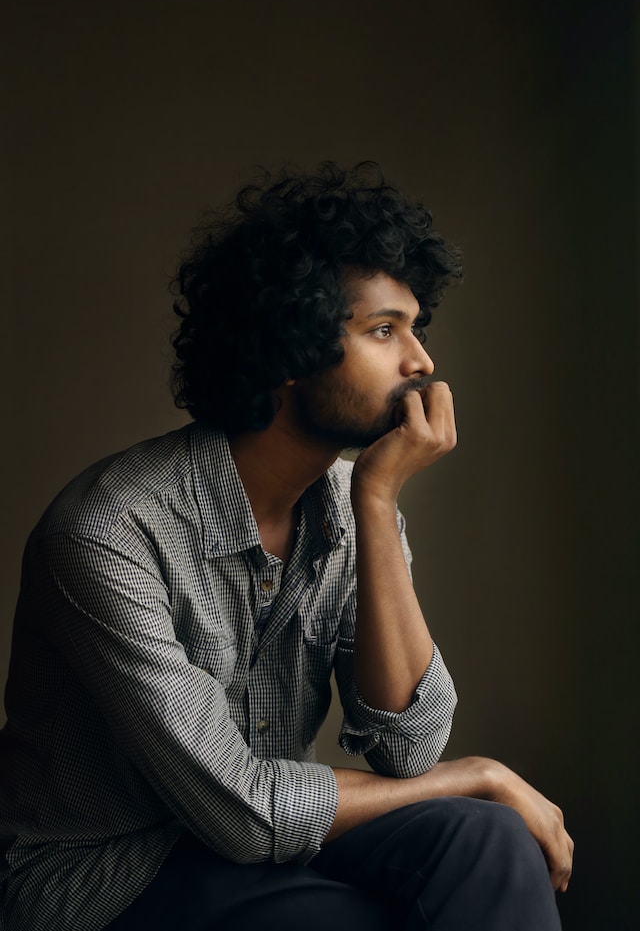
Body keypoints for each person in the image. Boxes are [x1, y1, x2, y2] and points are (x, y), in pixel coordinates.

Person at [0, 162, 573, 930]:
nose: (421, 361)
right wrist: (477, 772)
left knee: (491, 839)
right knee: (345, 915)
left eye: (416, 326)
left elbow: (405, 747)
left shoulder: (351, 500)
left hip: (267, 840)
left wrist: (375, 502)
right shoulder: (107, 534)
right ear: (290, 349)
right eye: (383, 330)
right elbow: (238, 810)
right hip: (106, 868)